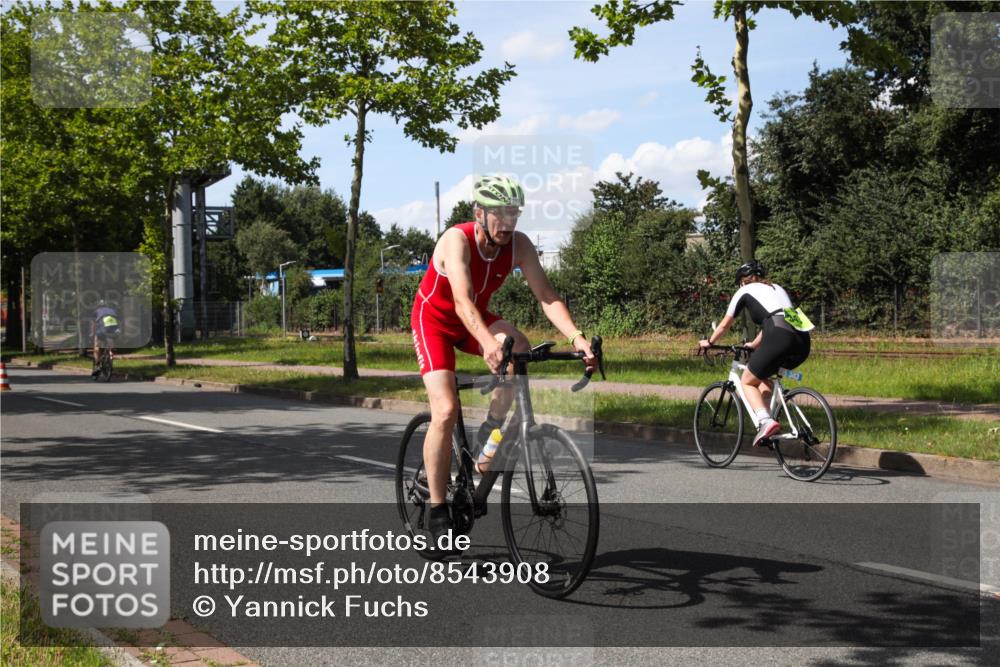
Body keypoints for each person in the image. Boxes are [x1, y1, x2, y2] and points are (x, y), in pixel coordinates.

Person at [411, 174, 595, 553]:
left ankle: (487, 441)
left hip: (475, 318)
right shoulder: (456, 240)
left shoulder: (519, 246)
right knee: (445, 410)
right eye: (499, 214)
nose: (508, 222)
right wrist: (487, 345)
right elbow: (461, 301)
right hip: (436, 322)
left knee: (521, 347)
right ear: (479, 213)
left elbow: (546, 294)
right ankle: (436, 508)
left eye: (514, 214)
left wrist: (577, 338)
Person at [699, 260, 811, 447]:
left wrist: (709, 342)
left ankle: (765, 422)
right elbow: (779, 318)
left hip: (779, 335)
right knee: (764, 379)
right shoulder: (777, 288)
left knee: (747, 381)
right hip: (802, 337)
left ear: (742, 281)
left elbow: (726, 324)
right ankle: (769, 425)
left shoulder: (743, 291)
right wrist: (754, 344)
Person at [91, 300, 120, 377]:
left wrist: (93, 334)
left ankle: (97, 366)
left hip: (103, 329)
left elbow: (94, 325)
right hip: (114, 329)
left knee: (97, 347)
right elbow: (118, 321)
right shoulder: (112, 310)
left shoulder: (96, 312)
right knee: (111, 345)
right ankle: (110, 357)